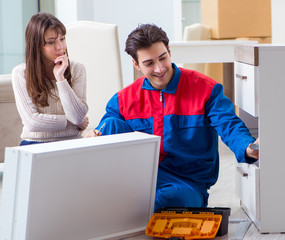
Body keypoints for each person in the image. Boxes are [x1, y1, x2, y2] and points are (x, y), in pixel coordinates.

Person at [85, 24, 259, 211]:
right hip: (136, 178)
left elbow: (229, 124)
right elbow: (104, 129)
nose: (159, 69)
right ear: (136, 64)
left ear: (169, 51)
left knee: (165, 200)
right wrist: (93, 136)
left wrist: (248, 148)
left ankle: (121, 209)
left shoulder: (206, 90)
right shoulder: (122, 100)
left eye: (163, 58)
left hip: (186, 184)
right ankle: (119, 204)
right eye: (149, 63)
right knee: (110, 125)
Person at [12, 12, 89, 146]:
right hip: (34, 143)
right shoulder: (21, 73)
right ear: (37, 46)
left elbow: (77, 116)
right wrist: (70, 122)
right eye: (51, 42)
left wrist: (60, 79)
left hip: (73, 142)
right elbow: (33, 122)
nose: (59, 47)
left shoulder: (77, 69)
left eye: (62, 39)